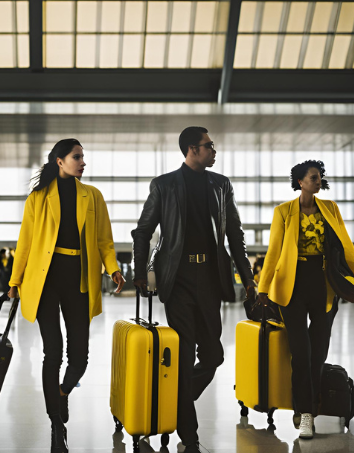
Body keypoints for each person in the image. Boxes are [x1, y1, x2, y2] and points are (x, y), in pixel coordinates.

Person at [132, 127, 256, 453]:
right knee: (185, 356)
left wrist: (248, 279)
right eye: (208, 146)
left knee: (213, 355)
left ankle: (173, 400)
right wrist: (139, 273)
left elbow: (236, 235)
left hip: (211, 278)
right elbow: (143, 231)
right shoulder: (164, 185)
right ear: (192, 150)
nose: (214, 150)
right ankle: (191, 438)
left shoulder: (220, 185)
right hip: (178, 277)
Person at [7, 138, 125, 453]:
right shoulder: (38, 197)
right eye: (77, 157)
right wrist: (14, 280)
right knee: (53, 352)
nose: (82, 162)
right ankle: (56, 422)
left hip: (79, 278)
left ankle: (61, 393)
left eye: (83, 157)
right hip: (45, 279)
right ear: (60, 161)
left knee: (80, 357)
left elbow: (105, 240)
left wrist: (112, 268)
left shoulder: (93, 196)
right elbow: (25, 242)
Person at [258, 160, 354, 440]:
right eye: (313, 177)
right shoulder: (284, 212)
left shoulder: (331, 209)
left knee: (318, 353)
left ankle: (309, 407)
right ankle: (305, 415)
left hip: (324, 285)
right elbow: (274, 251)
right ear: (300, 182)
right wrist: (263, 289)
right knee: (301, 354)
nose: (318, 180)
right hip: (292, 287)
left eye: (320, 177)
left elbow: (346, 246)